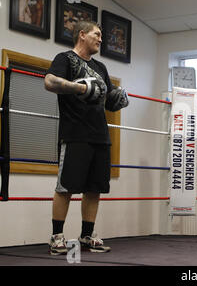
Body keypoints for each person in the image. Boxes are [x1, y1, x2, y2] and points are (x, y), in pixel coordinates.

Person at [44, 20, 129, 255]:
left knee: (94, 188)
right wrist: (80, 88)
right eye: (97, 34)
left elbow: (107, 98)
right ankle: (57, 237)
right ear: (82, 35)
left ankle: (86, 236)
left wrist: (118, 99)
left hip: (100, 135)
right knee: (66, 187)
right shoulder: (65, 59)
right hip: (75, 134)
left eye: (101, 35)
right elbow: (49, 82)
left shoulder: (101, 68)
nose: (101, 39)